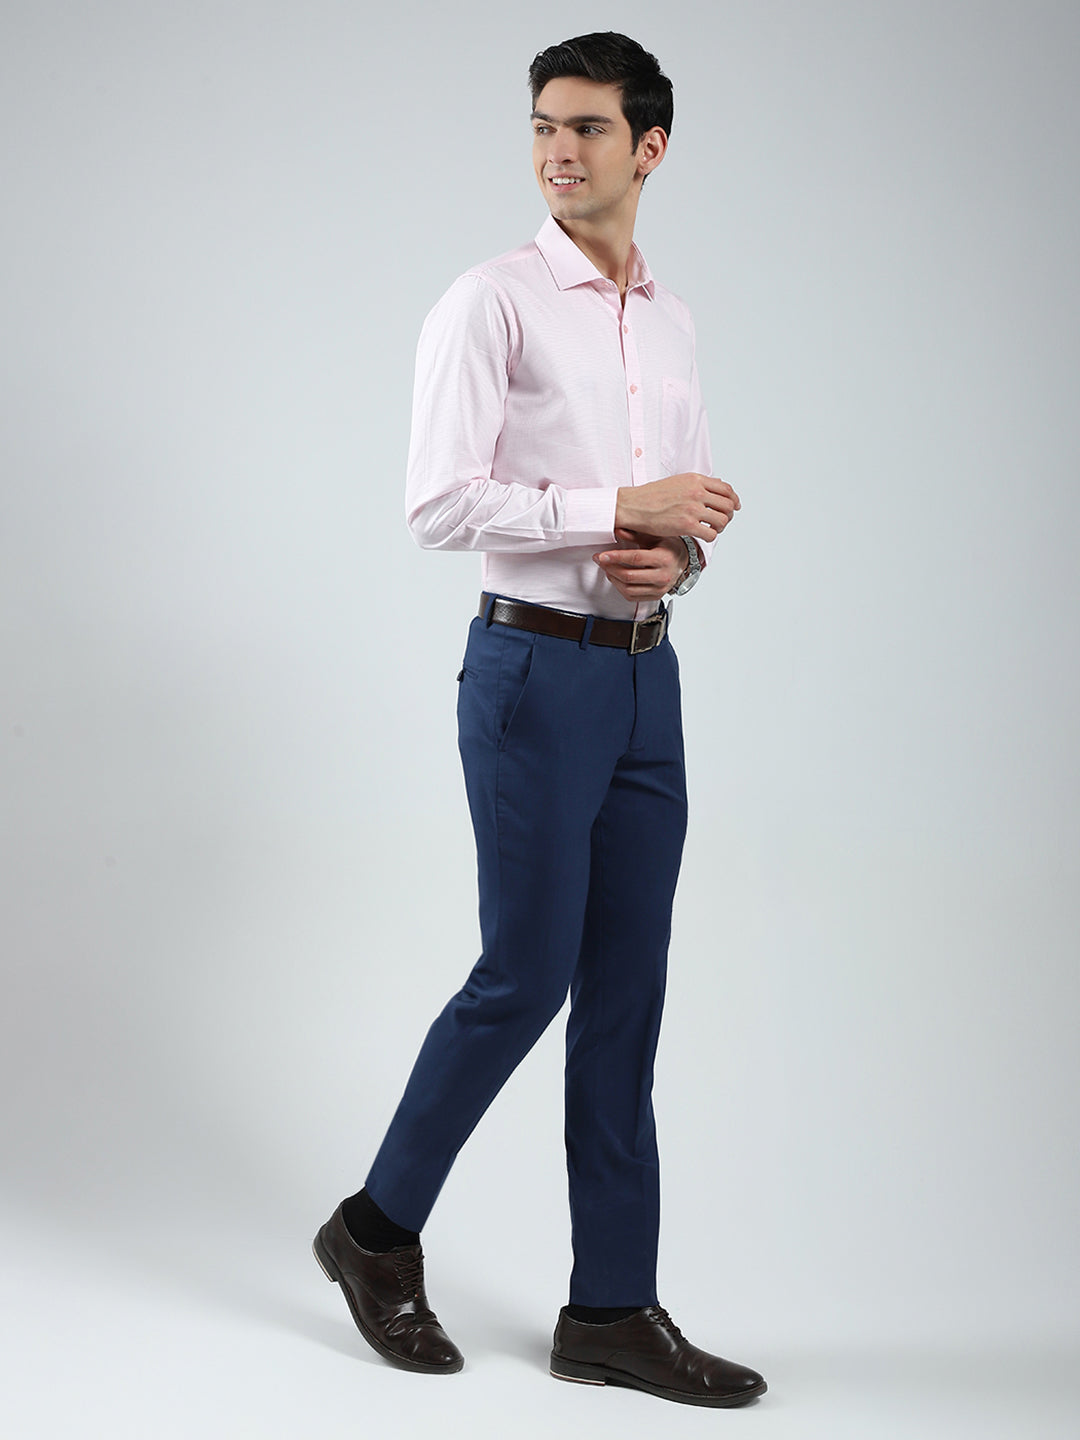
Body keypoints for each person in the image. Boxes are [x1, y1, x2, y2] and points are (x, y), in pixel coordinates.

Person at [313, 32, 766, 1409]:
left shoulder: (671, 322)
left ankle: (612, 1310)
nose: (558, 151)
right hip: (531, 674)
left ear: (651, 147)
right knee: (526, 974)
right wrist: (613, 509)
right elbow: (439, 502)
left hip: (645, 678)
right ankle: (374, 1231)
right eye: (542, 128)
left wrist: (677, 554)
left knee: (629, 990)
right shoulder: (490, 303)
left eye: (587, 128)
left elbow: (678, 513)